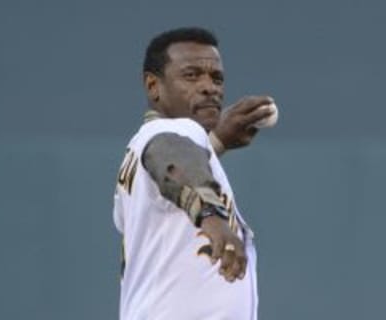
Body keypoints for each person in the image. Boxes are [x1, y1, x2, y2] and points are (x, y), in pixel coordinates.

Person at [113, 27, 274, 320]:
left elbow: (173, 169)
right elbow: (169, 155)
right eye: (191, 75)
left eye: (217, 78)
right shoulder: (167, 132)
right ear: (153, 86)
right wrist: (211, 216)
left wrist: (215, 144)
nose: (209, 87)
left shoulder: (141, 156)